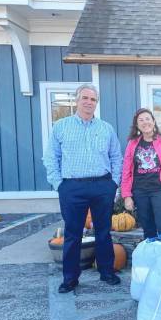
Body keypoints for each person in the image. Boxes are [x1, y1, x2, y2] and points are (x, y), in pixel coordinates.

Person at [43, 84, 123, 293]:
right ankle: (70, 279)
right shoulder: (61, 126)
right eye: (85, 98)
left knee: (104, 232)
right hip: (72, 187)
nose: (89, 102)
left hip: (102, 185)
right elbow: (51, 157)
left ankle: (107, 272)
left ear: (96, 103)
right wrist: (59, 185)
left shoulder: (106, 128)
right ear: (77, 101)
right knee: (73, 233)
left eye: (93, 99)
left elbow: (116, 157)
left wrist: (114, 183)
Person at [121, 108, 161, 239]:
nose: (145, 122)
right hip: (140, 192)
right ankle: (151, 257)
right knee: (148, 231)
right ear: (137, 125)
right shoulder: (133, 144)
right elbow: (126, 171)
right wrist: (127, 195)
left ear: (154, 121)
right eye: (141, 120)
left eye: (147, 119)